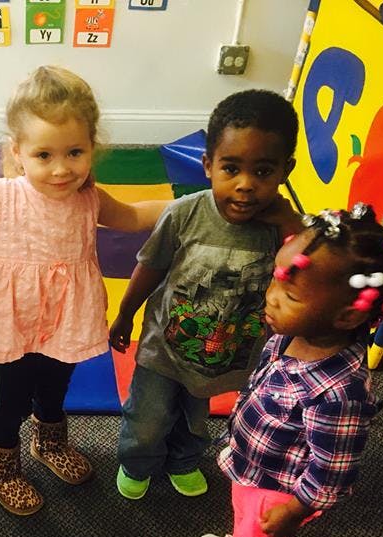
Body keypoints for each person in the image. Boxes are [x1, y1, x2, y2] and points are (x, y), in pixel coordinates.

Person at [0, 65, 168, 516]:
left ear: (92, 147)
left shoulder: (91, 199)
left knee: (56, 388)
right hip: (14, 321)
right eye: (44, 155)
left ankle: (49, 442)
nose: (61, 169)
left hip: (66, 318)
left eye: (74, 152)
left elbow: (135, 216)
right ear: (17, 152)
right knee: (12, 400)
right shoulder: (2, 194)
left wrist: (200, 203)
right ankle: (1, 466)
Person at [187, 203, 383, 537]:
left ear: (347, 316)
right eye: (276, 281)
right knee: (245, 518)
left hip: (280, 488)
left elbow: (333, 470)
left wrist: (295, 509)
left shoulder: (339, 393)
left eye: (289, 295)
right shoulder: (290, 335)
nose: (270, 298)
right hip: (255, 466)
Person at [110, 89, 300, 502]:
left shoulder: (282, 229)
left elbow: (308, 277)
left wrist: (292, 225)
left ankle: (183, 460)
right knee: (147, 415)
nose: (245, 185)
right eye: (231, 168)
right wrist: (125, 313)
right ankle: (138, 462)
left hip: (226, 354)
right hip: (165, 348)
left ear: (286, 170)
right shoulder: (184, 214)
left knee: (196, 418)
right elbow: (151, 266)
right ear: (208, 165)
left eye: (263, 171)